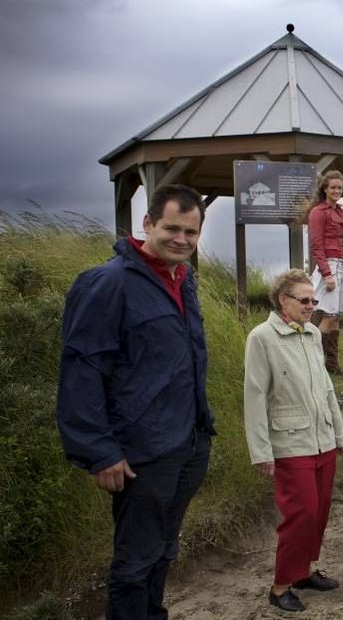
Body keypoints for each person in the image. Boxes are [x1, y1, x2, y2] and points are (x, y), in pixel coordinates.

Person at [56, 185, 215, 620]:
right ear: (147, 224)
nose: (181, 239)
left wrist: (202, 431)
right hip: (141, 450)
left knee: (164, 549)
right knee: (135, 561)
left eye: (191, 231)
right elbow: (82, 371)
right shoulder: (107, 284)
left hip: (187, 441)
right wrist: (100, 450)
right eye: (171, 228)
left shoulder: (183, 281)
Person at [243, 269, 343, 613]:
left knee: (318, 512)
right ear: (282, 301)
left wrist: (339, 433)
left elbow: (325, 388)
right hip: (289, 443)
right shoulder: (261, 338)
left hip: (322, 440)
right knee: (300, 513)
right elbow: (255, 397)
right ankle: (280, 586)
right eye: (304, 300)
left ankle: (302, 572)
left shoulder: (313, 336)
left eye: (313, 300)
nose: (310, 306)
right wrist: (260, 451)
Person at [304, 169, 343, 374]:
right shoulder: (318, 212)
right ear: (325, 189)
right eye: (333, 187)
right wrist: (327, 273)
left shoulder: (341, 212)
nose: (336, 190)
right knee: (328, 315)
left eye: (339, 188)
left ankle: (331, 364)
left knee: (335, 316)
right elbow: (316, 245)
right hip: (331, 265)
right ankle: (310, 361)